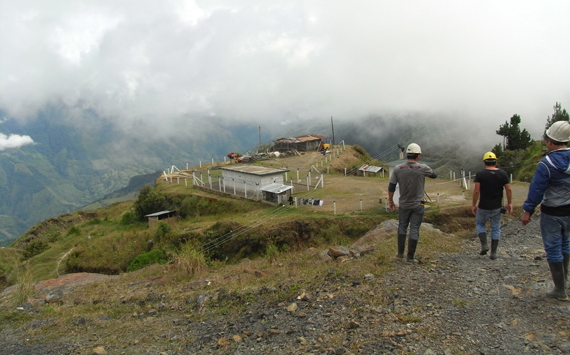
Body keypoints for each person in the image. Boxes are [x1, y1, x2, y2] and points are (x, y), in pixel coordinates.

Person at [521, 120, 570, 301]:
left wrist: (527, 211)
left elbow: (536, 191)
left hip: (552, 213)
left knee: (553, 248)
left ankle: (559, 289)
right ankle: (563, 282)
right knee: (566, 243)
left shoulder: (546, 164)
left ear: (549, 141)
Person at [388, 143, 438, 263]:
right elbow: (434, 175)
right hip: (418, 204)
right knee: (414, 229)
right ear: (417, 156)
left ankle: (400, 254)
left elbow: (391, 186)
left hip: (404, 204)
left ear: (407, 155)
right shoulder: (423, 168)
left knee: (402, 226)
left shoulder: (398, 168)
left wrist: (391, 201)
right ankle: (410, 257)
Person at [471, 152, 513, 259]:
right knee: (495, 228)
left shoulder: (480, 174)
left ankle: (484, 245)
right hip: (497, 207)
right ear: (496, 162)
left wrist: (473, 205)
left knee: (480, 224)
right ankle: (493, 253)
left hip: (483, 206)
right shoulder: (503, 174)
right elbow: (508, 189)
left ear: (484, 162)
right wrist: (509, 203)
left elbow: (476, 191)